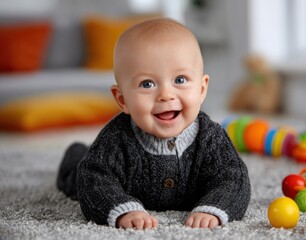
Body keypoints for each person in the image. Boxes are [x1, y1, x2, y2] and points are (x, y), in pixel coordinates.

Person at [57, 18, 251, 230]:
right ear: (122, 100)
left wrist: (213, 207)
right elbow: (94, 179)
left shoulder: (211, 137)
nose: (166, 95)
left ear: (202, 89)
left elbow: (234, 179)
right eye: (147, 84)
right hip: (104, 175)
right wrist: (123, 209)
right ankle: (75, 154)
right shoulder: (116, 139)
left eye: (180, 80)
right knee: (78, 175)